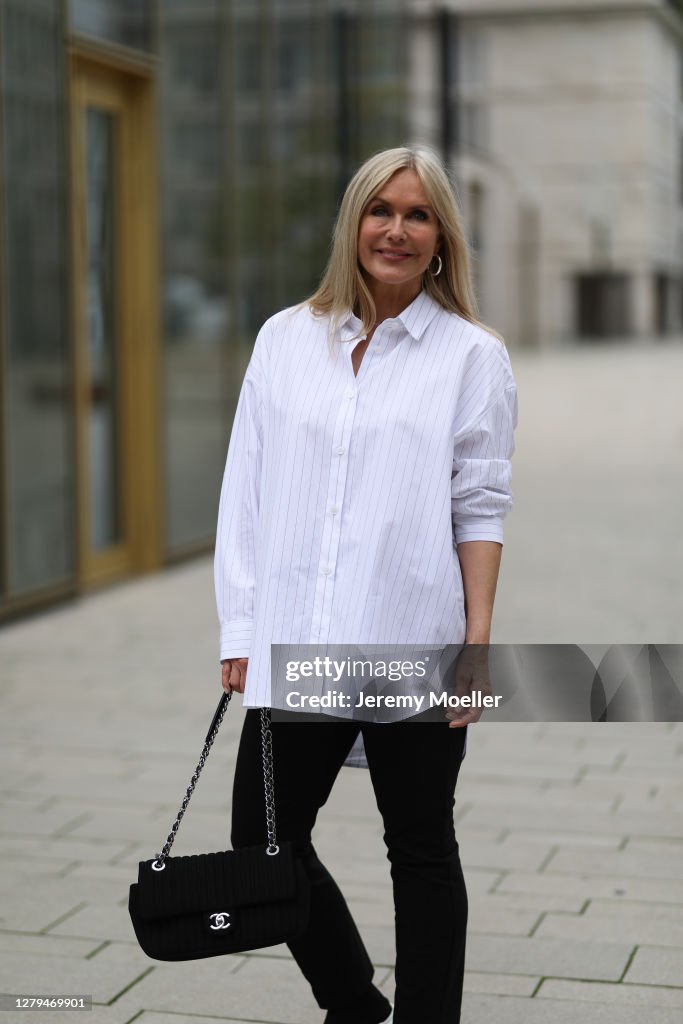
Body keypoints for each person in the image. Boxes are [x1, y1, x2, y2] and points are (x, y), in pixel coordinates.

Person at [214, 144, 518, 1024]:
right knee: (262, 839)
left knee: (420, 846)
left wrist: (477, 644)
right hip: (300, 636)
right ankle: (352, 1003)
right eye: (380, 210)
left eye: (416, 214)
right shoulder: (284, 338)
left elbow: (480, 506)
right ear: (353, 223)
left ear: (440, 239)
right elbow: (247, 489)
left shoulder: (470, 357)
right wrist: (239, 629)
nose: (395, 228)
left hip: (411, 637)